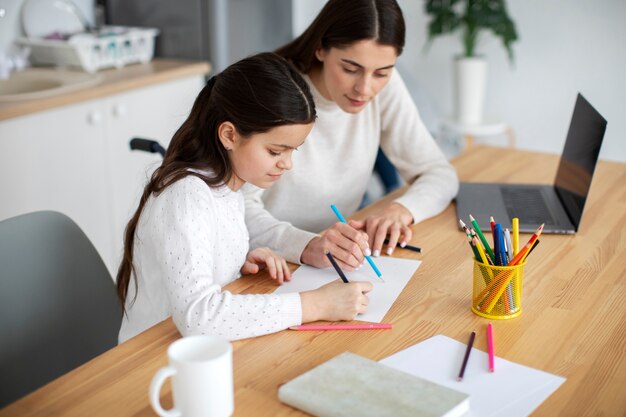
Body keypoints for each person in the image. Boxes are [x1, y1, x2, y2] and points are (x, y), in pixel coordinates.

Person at [116, 53, 373, 343]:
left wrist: (235, 261)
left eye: (293, 150)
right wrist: (316, 305)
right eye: (276, 151)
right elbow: (199, 317)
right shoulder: (187, 195)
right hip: (148, 360)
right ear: (229, 135)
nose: (287, 164)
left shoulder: (227, 185)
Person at [244, 0, 459, 272]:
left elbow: (439, 172)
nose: (365, 89)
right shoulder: (276, 92)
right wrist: (306, 245)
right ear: (320, 48)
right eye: (350, 69)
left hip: (336, 258)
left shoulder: (384, 88)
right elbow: (237, 209)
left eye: (381, 73)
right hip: (269, 263)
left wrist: (400, 210)